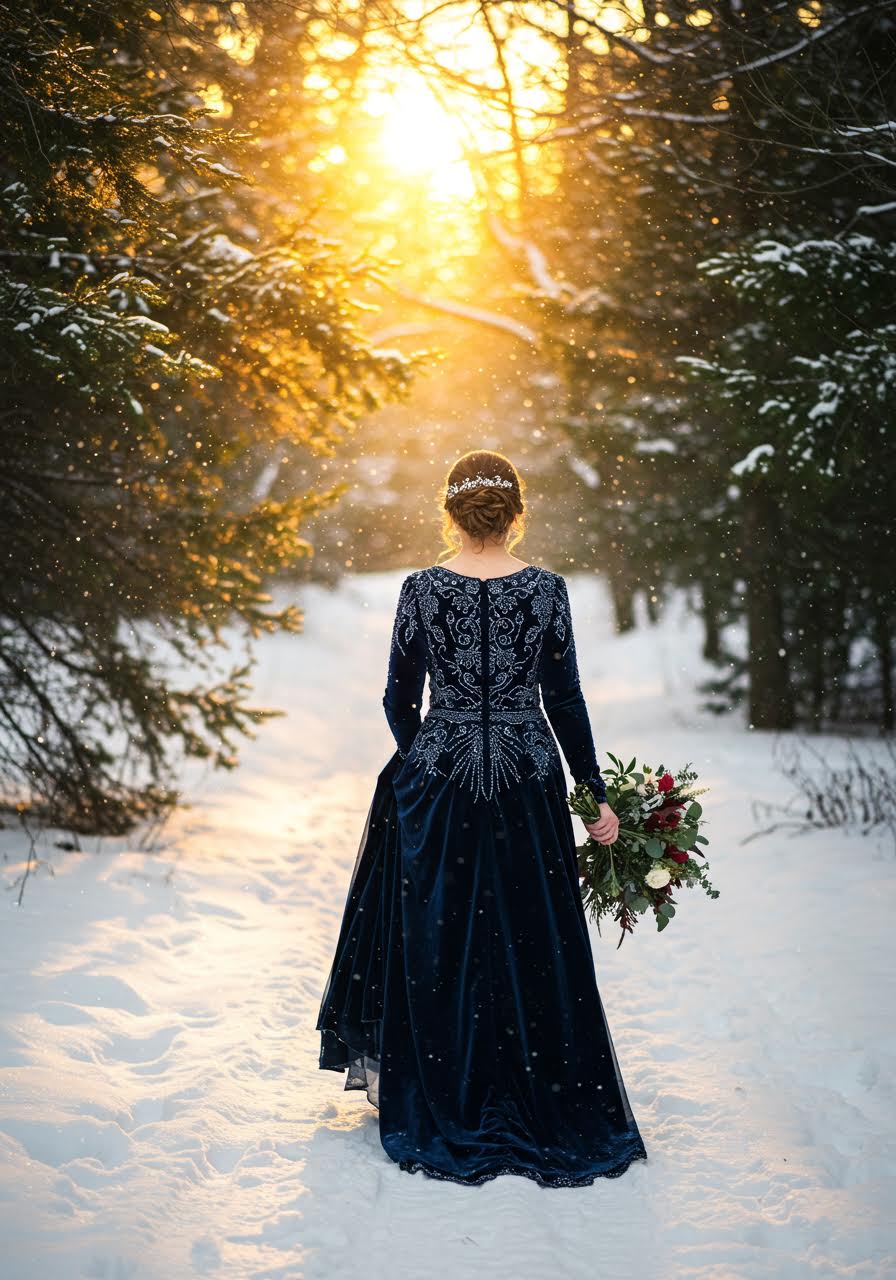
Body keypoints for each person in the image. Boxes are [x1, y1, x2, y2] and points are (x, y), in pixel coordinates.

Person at [316, 448, 648, 1186]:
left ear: (451, 513)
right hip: (529, 780)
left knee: (444, 937)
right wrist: (593, 791)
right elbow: (565, 699)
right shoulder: (548, 591)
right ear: (516, 512)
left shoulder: (421, 590)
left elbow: (398, 699)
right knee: (533, 935)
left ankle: (452, 1087)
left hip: (443, 783)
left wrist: (423, 757)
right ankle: (543, 1089)